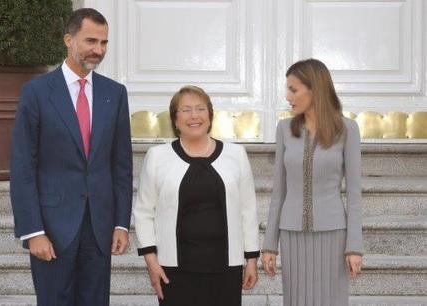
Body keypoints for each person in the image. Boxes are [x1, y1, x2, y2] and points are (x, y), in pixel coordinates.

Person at [10, 8, 132, 306]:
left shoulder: (114, 93)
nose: (98, 50)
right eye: (91, 41)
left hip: (99, 228)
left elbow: (121, 165)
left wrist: (120, 224)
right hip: (51, 228)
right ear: (68, 39)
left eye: (104, 43)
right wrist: (33, 230)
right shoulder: (36, 92)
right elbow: (23, 165)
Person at [133, 85, 260, 306]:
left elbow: (248, 210)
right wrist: (152, 262)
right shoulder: (157, 157)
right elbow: (144, 212)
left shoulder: (236, 155)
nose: (194, 116)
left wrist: (251, 260)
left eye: (200, 109)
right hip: (174, 269)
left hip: (225, 268)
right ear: (175, 120)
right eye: (186, 110)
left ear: (210, 116)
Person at [261, 59, 363, 306]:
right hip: (292, 234)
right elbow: (279, 191)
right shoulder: (284, 129)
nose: (287, 96)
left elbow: (354, 192)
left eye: (293, 90)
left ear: (315, 88)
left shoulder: (347, 129)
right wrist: (269, 245)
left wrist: (354, 247)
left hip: (333, 235)